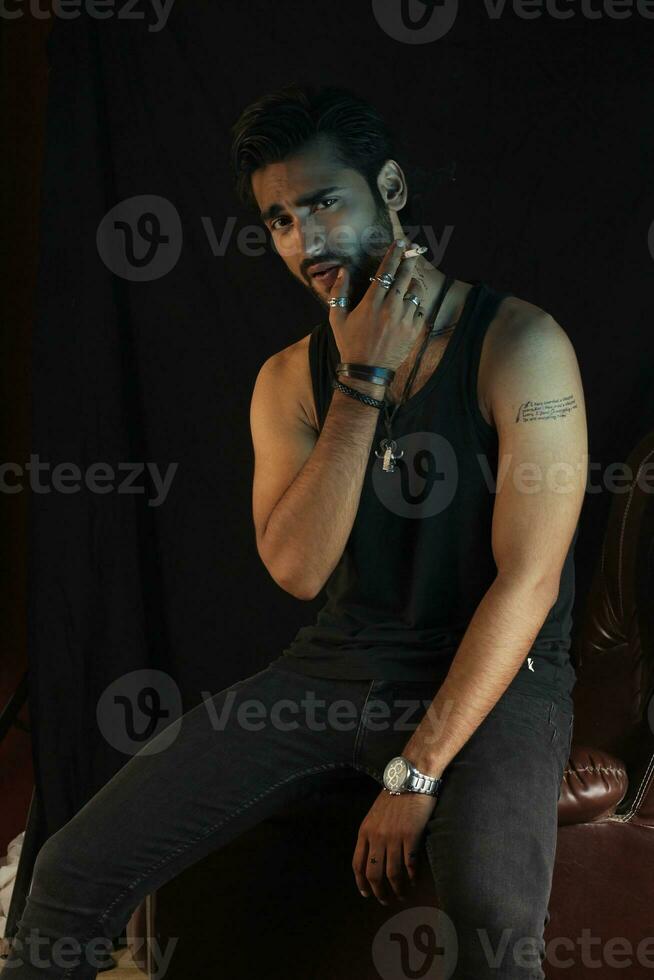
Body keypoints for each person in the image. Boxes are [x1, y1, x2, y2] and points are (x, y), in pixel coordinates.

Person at [1, 82, 587, 979]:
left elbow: (529, 583)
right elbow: (299, 570)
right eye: (278, 219)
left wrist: (418, 772)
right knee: (70, 869)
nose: (304, 241)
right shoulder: (289, 380)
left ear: (389, 187)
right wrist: (365, 380)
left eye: (323, 202)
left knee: (495, 915)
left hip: (500, 676)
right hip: (337, 669)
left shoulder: (521, 345)